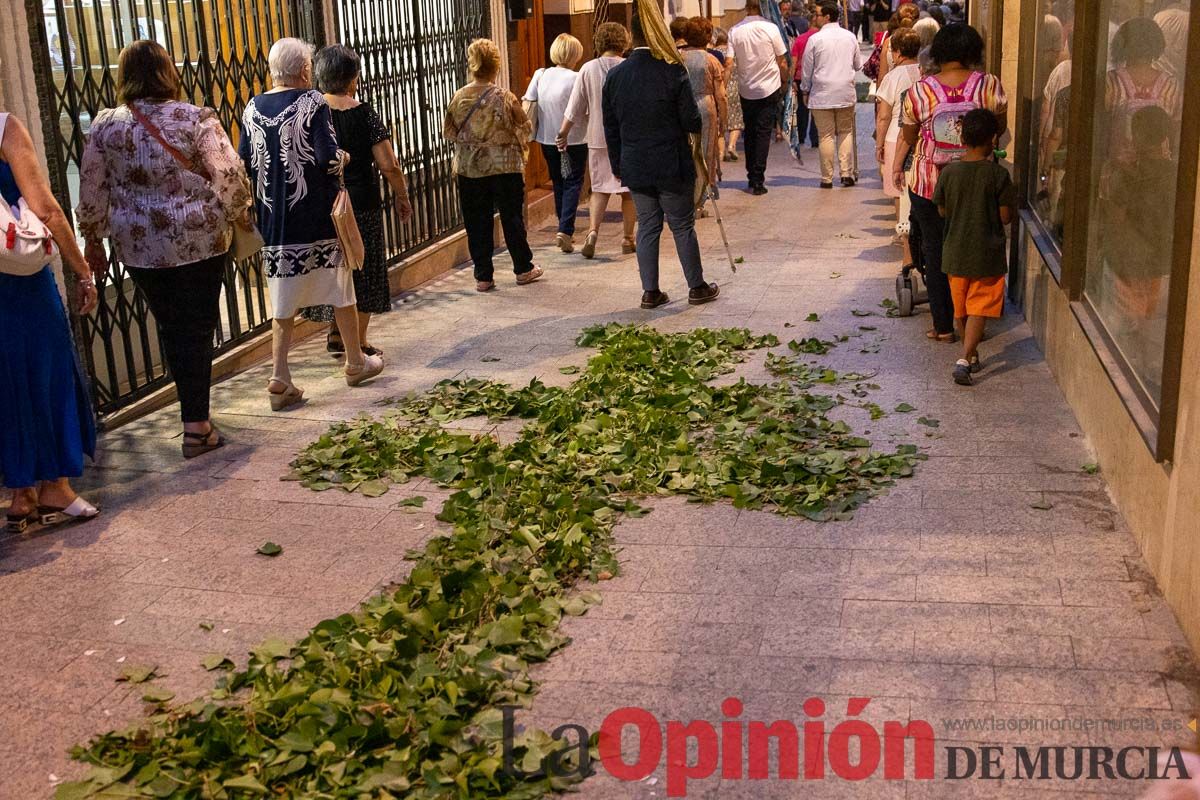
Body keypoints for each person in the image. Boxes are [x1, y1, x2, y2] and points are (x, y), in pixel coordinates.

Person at [76, 40, 251, 457]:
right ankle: (196, 425)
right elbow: (228, 172)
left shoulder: (105, 125)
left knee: (172, 327)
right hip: (200, 242)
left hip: (139, 247)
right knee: (198, 327)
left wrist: (93, 237)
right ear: (167, 72)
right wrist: (240, 211)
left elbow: (92, 186)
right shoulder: (195, 118)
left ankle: (195, 416)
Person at [241, 38, 384, 412]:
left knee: (283, 299)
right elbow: (327, 158)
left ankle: (280, 375)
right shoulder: (312, 102)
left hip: (275, 220)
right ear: (304, 70)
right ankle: (355, 362)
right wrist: (346, 156)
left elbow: (245, 161)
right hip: (316, 216)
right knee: (341, 287)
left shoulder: (252, 107)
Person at [1, 111, 100, 530]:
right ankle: (55, 486)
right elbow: (47, 209)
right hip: (21, 283)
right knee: (49, 372)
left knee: (8, 382)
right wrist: (82, 271)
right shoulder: (5, 128)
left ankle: (20, 493)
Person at [892, 24, 1007, 344]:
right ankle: (973, 317)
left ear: (938, 54)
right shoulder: (989, 85)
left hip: (931, 183)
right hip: (979, 183)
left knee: (935, 249)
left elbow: (910, 136)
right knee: (976, 245)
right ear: (973, 53)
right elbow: (999, 126)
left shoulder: (919, 91)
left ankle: (943, 326)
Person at [299, 44, 415, 358]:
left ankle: (337, 335)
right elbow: (389, 164)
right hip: (359, 205)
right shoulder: (363, 112)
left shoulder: (308, 112)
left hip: (322, 207)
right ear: (352, 78)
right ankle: (359, 343)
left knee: (333, 270)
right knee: (363, 270)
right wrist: (402, 196)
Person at [602, 11, 720, 309]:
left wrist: (619, 165)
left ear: (632, 36)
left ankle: (650, 292)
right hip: (671, 162)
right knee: (681, 225)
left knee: (648, 226)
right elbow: (692, 121)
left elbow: (610, 127)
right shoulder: (672, 71)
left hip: (636, 164)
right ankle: (697, 286)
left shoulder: (615, 76)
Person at [444, 39, 544, 292]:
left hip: (470, 169)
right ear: (496, 67)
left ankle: (483, 275)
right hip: (505, 168)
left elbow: (449, 131)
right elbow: (525, 126)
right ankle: (523, 268)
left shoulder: (459, 97)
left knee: (477, 221)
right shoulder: (504, 97)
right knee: (511, 218)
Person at [933, 109, 1014, 386]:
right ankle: (966, 358)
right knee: (979, 306)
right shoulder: (998, 176)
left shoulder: (949, 172)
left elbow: (942, 210)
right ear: (993, 139)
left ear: (962, 137)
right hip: (987, 254)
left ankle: (970, 353)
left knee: (961, 308)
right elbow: (1005, 217)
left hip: (954, 251)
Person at [558, 22, 638, 258]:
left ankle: (593, 232)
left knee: (599, 189)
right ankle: (627, 238)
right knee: (628, 191)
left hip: (596, 137)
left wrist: (563, 133)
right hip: (625, 138)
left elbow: (574, 107)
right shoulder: (629, 67)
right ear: (623, 42)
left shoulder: (588, 68)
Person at [524, 34, 587, 254]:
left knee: (558, 181)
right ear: (574, 54)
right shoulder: (577, 78)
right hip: (575, 138)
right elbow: (583, 108)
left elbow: (528, 101)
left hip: (546, 138)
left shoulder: (541, 75)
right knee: (573, 181)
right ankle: (565, 229)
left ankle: (563, 226)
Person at [802, 2, 864, 188]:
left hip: (822, 92)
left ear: (827, 16)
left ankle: (827, 178)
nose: (816, 17)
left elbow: (807, 69)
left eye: (819, 14)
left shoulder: (815, 39)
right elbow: (857, 64)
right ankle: (846, 174)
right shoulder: (850, 37)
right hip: (844, 91)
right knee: (845, 132)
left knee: (825, 135)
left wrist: (805, 89)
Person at [729, 0, 788, 195]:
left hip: (746, 88)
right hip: (769, 87)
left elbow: (729, 61)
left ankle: (751, 174)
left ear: (746, 7)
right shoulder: (771, 29)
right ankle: (758, 178)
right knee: (763, 132)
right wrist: (785, 81)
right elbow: (782, 60)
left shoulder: (735, 30)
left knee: (750, 132)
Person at [874, 29, 921, 266]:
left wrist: (879, 143)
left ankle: (907, 253)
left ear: (898, 52)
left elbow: (883, 116)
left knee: (901, 194)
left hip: (896, 136)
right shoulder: (926, 73)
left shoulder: (892, 77)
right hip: (920, 139)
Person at [681, 18, 729, 202]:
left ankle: (686, 193)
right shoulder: (712, 60)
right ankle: (700, 197)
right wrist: (724, 120)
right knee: (705, 150)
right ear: (708, 36)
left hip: (682, 105)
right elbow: (721, 95)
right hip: (705, 106)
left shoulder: (679, 57)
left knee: (685, 149)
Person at [790, 15, 821, 154]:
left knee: (802, 110)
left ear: (809, 23)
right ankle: (815, 139)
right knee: (816, 109)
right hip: (817, 77)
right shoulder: (821, 39)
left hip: (800, 77)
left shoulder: (800, 39)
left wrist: (791, 80)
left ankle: (801, 137)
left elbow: (794, 61)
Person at [718, 27, 746, 161]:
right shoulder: (734, 54)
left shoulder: (713, 53)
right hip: (735, 87)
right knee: (736, 119)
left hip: (720, 87)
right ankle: (732, 145)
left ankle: (721, 152)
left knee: (721, 121)